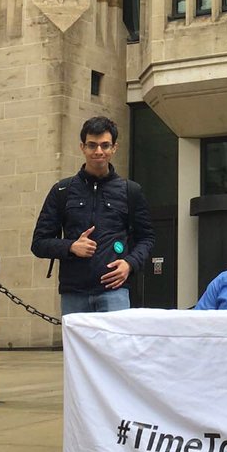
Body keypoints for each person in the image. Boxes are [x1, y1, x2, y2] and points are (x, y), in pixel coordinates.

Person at [31, 115, 155, 315]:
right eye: (92, 145)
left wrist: (129, 264)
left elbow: (147, 238)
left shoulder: (131, 191)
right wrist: (71, 246)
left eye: (105, 145)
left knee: (115, 347)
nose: (99, 151)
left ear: (114, 148)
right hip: (74, 293)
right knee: (76, 348)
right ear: (82, 147)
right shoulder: (62, 190)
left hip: (115, 292)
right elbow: (38, 243)